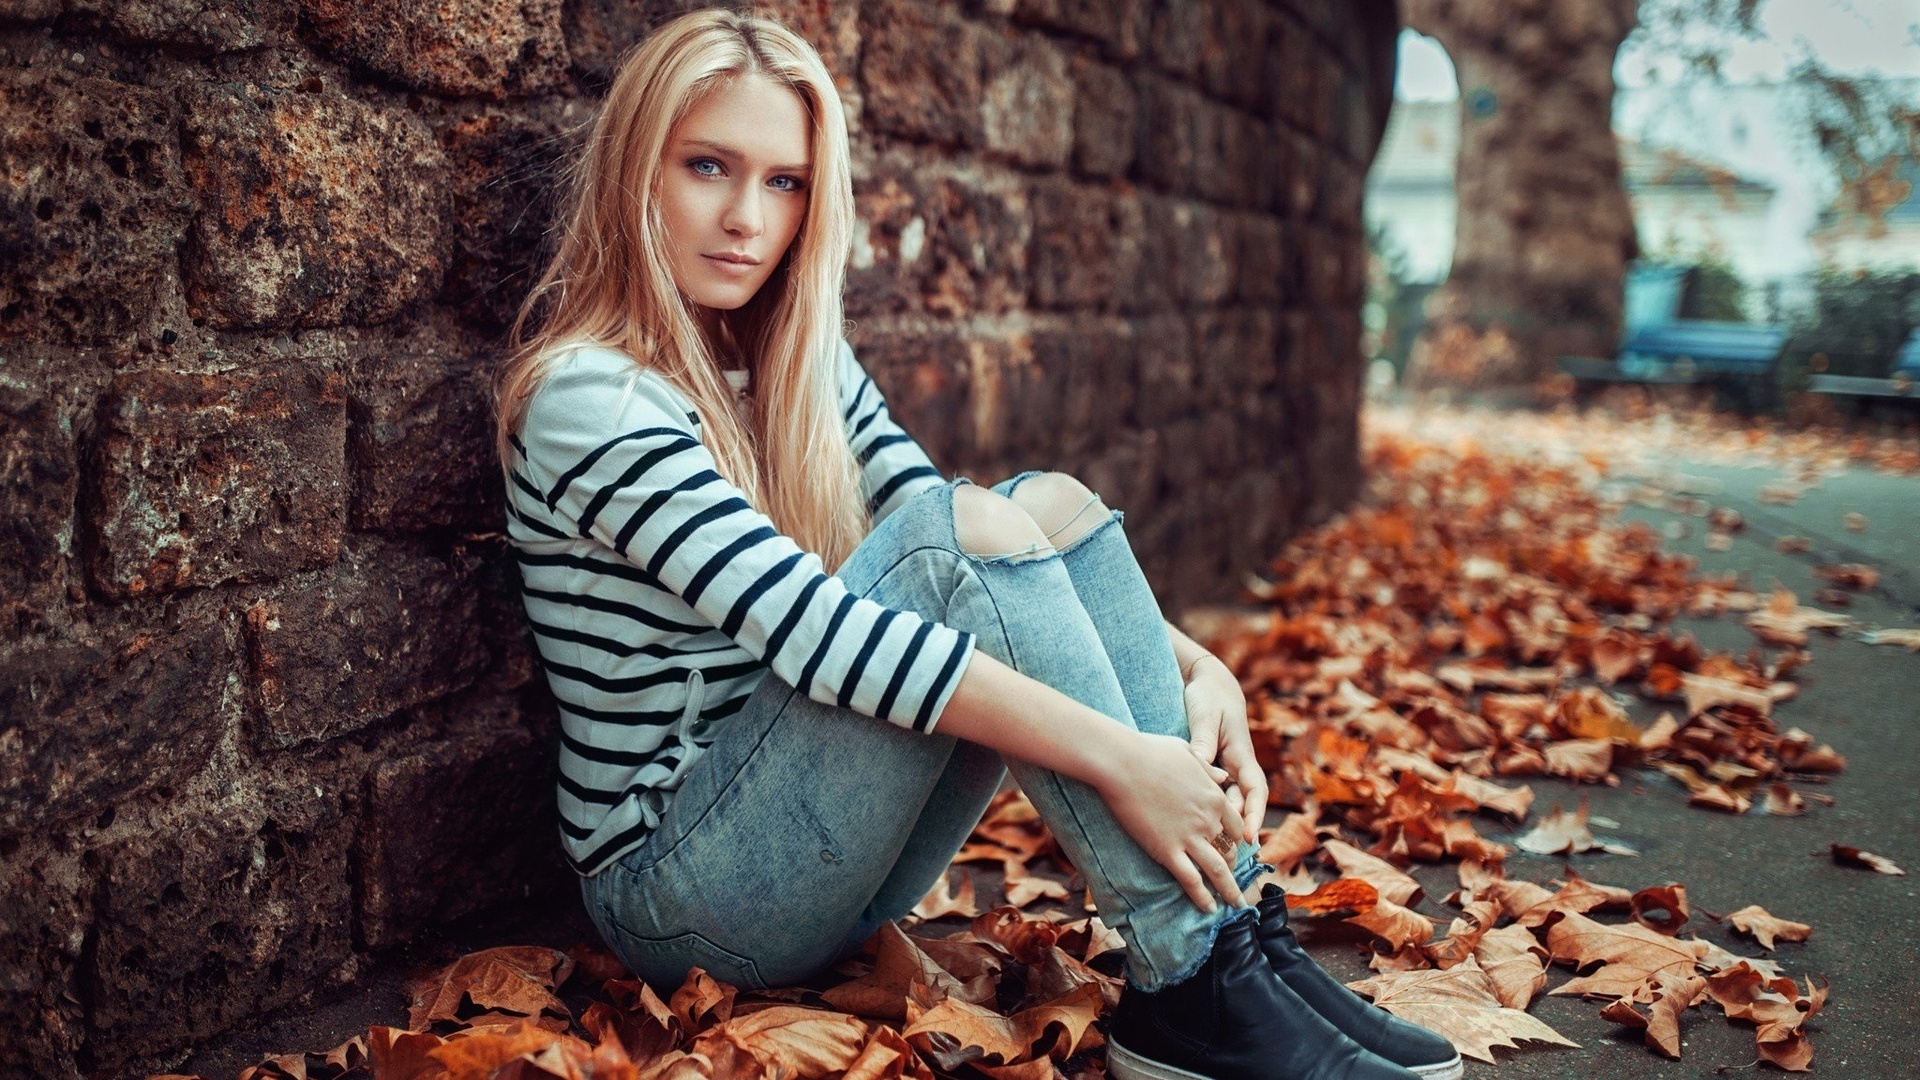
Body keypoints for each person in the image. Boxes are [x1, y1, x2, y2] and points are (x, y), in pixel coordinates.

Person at [491, 10, 1460, 1080]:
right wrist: (1126, 760)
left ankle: (1232, 939)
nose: (745, 219)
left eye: (785, 182)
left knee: (1038, 504)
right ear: (638, 171)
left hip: (820, 855)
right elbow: (828, 631)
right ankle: (1193, 971)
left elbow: (959, 519)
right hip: (684, 896)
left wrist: (1198, 662)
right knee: (959, 541)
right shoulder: (591, 394)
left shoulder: (791, 359)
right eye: (708, 166)